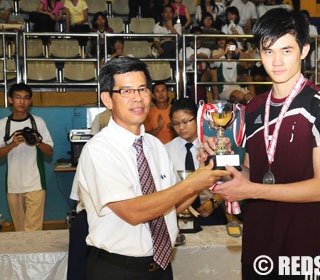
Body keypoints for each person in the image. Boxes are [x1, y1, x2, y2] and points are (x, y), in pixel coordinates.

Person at [204, 8, 320, 279]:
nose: (276, 61)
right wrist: (222, 161)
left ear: (304, 50)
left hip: (303, 251)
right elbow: (250, 173)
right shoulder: (254, 108)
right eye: (268, 51)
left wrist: (252, 189)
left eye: (286, 50)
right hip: (258, 248)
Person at [72, 57, 229, 280]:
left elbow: (171, 206)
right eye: (126, 91)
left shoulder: (154, 145)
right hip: (118, 269)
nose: (137, 98)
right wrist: (192, 183)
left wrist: (204, 174)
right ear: (108, 99)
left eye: (143, 89)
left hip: (161, 267)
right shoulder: (99, 150)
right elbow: (134, 212)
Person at [0, 83, 54, 231]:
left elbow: (49, 151)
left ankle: (35, 255)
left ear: (30, 101)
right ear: (10, 100)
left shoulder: (38, 122)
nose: (22, 102)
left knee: (33, 231)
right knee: (20, 232)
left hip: (35, 184)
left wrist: (38, 141)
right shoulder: (3, 124)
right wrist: (12, 145)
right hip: (13, 185)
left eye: (25, 98)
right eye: (18, 97)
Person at [166, 98, 227, 225]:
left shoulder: (213, 146)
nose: (181, 128)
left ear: (198, 119)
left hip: (211, 210)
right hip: (178, 214)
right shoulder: (166, 150)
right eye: (176, 124)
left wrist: (214, 202)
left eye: (185, 122)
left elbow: (230, 181)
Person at [210, 37, 255, 104]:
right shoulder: (221, 59)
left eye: (232, 46)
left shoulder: (235, 59)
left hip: (236, 87)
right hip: (224, 89)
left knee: (250, 97)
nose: (231, 48)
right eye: (229, 46)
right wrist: (224, 52)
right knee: (239, 95)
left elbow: (246, 65)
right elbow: (211, 61)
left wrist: (240, 52)